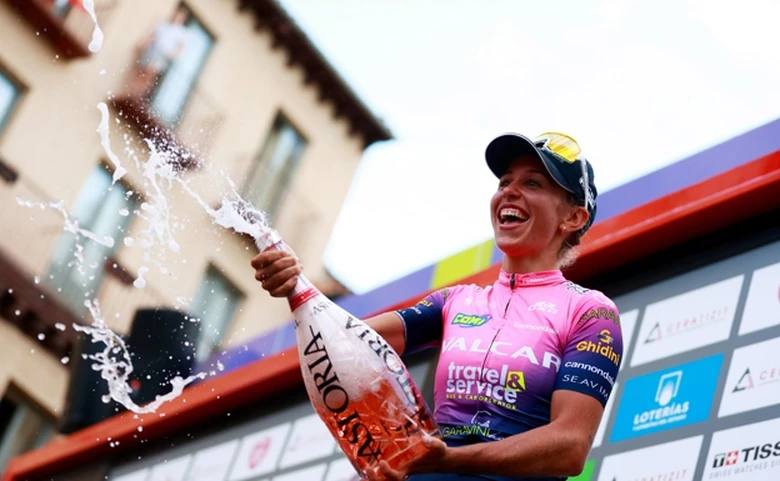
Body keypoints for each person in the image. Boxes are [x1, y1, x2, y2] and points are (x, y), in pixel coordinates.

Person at [251, 132, 623, 481]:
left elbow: (571, 447)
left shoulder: (591, 312)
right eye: (504, 182)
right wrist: (295, 286)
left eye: (532, 184)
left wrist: (450, 458)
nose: (509, 192)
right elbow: (342, 342)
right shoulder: (456, 302)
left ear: (573, 217)